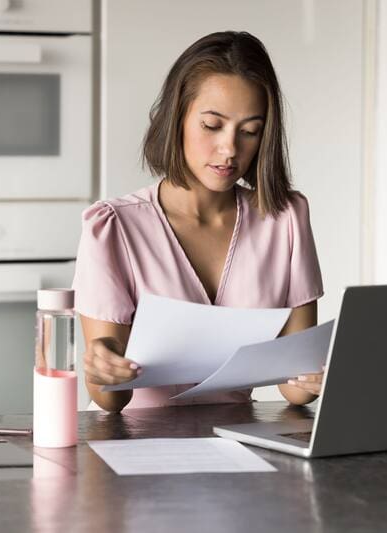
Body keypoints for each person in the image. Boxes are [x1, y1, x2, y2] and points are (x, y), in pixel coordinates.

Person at [72, 31, 324, 412]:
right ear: (177, 119)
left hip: (238, 444)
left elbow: (297, 388)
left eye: (250, 131)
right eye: (211, 125)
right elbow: (111, 400)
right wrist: (101, 366)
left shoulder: (285, 218)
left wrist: (321, 371)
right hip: (136, 447)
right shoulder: (113, 227)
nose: (229, 149)